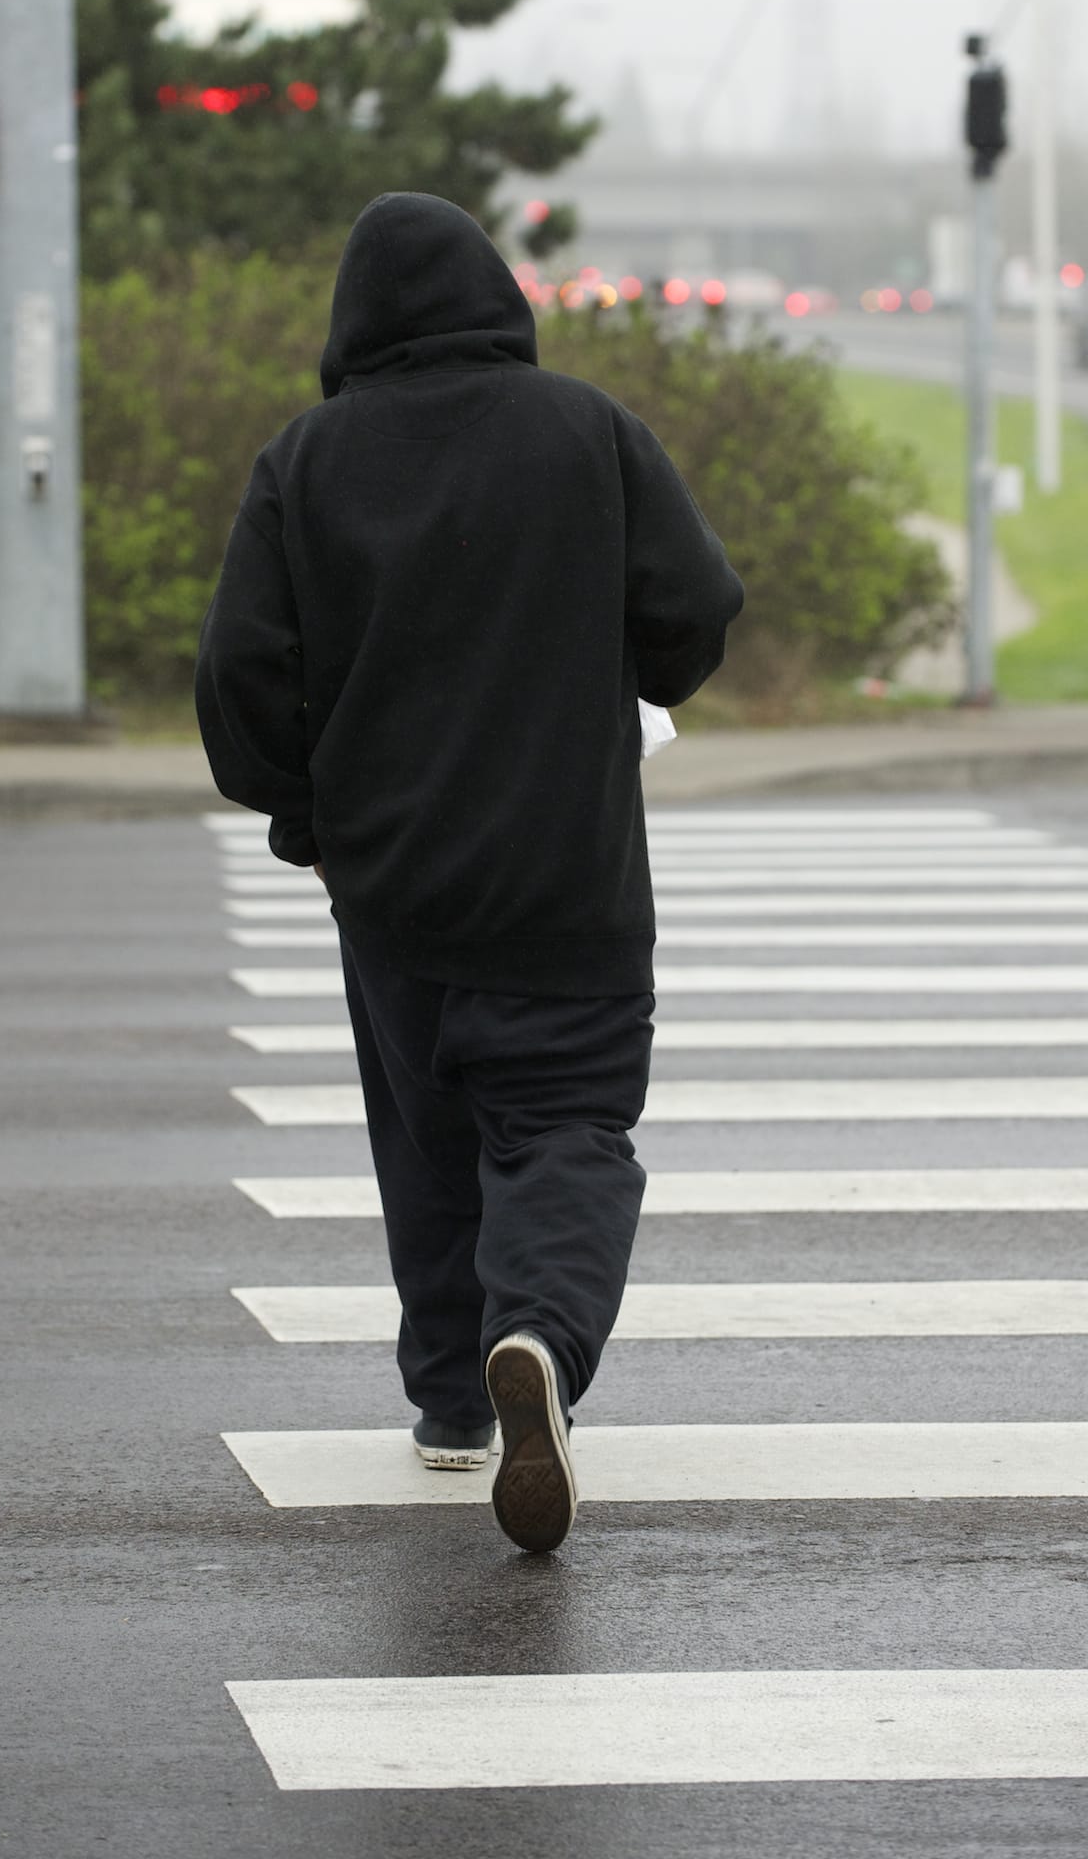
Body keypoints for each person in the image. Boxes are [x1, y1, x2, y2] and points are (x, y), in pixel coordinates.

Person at [196, 192, 744, 1554]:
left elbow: (240, 687)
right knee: (564, 1130)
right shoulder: (590, 434)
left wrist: (307, 815)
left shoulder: (305, 462)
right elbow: (694, 607)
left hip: (392, 887)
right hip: (568, 877)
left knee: (427, 1138)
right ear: (502, 300)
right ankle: (539, 1343)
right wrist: (631, 683)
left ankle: (451, 1401)